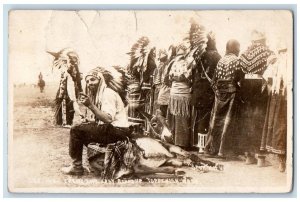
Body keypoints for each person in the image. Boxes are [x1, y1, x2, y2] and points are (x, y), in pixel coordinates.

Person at [61, 66, 131, 176]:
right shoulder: (102, 93)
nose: (90, 83)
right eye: (87, 81)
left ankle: (77, 167)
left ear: (100, 80)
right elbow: (104, 118)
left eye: (93, 80)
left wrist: (90, 105)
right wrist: (89, 120)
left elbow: (108, 118)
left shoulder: (108, 93)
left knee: (76, 130)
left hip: (118, 131)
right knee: (83, 127)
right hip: (114, 129)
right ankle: (97, 160)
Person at [237, 30, 276, 161]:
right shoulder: (268, 53)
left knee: (246, 119)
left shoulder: (244, 54)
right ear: (263, 40)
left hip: (246, 87)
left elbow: (239, 73)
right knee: (260, 120)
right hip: (260, 86)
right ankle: (261, 158)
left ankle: (248, 156)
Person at [204, 39, 244, 157]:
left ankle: (211, 149)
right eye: (238, 47)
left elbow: (213, 81)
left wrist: (218, 92)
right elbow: (240, 80)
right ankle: (224, 151)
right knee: (228, 121)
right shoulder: (237, 60)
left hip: (219, 94)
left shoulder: (221, 60)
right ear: (235, 48)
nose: (239, 50)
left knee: (216, 121)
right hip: (232, 93)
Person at [260, 41, 288, 172]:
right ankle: (282, 161)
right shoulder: (276, 64)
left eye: (285, 51)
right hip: (280, 99)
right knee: (280, 128)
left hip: (282, 99)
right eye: (281, 51)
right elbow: (268, 80)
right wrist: (273, 89)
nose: (283, 53)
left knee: (282, 128)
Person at [191, 31, 221, 146]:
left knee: (198, 117)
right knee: (206, 118)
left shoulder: (198, 56)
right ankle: (203, 146)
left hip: (197, 91)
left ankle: (197, 144)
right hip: (208, 93)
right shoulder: (216, 56)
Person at [168, 44, 194, 149]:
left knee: (177, 117)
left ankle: (177, 141)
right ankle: (183, 143)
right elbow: (187, 78)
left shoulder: (173, 63)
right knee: (183, 118)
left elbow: (169, 78)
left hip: (174, 94)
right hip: (183, 94)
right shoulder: (187, 63)